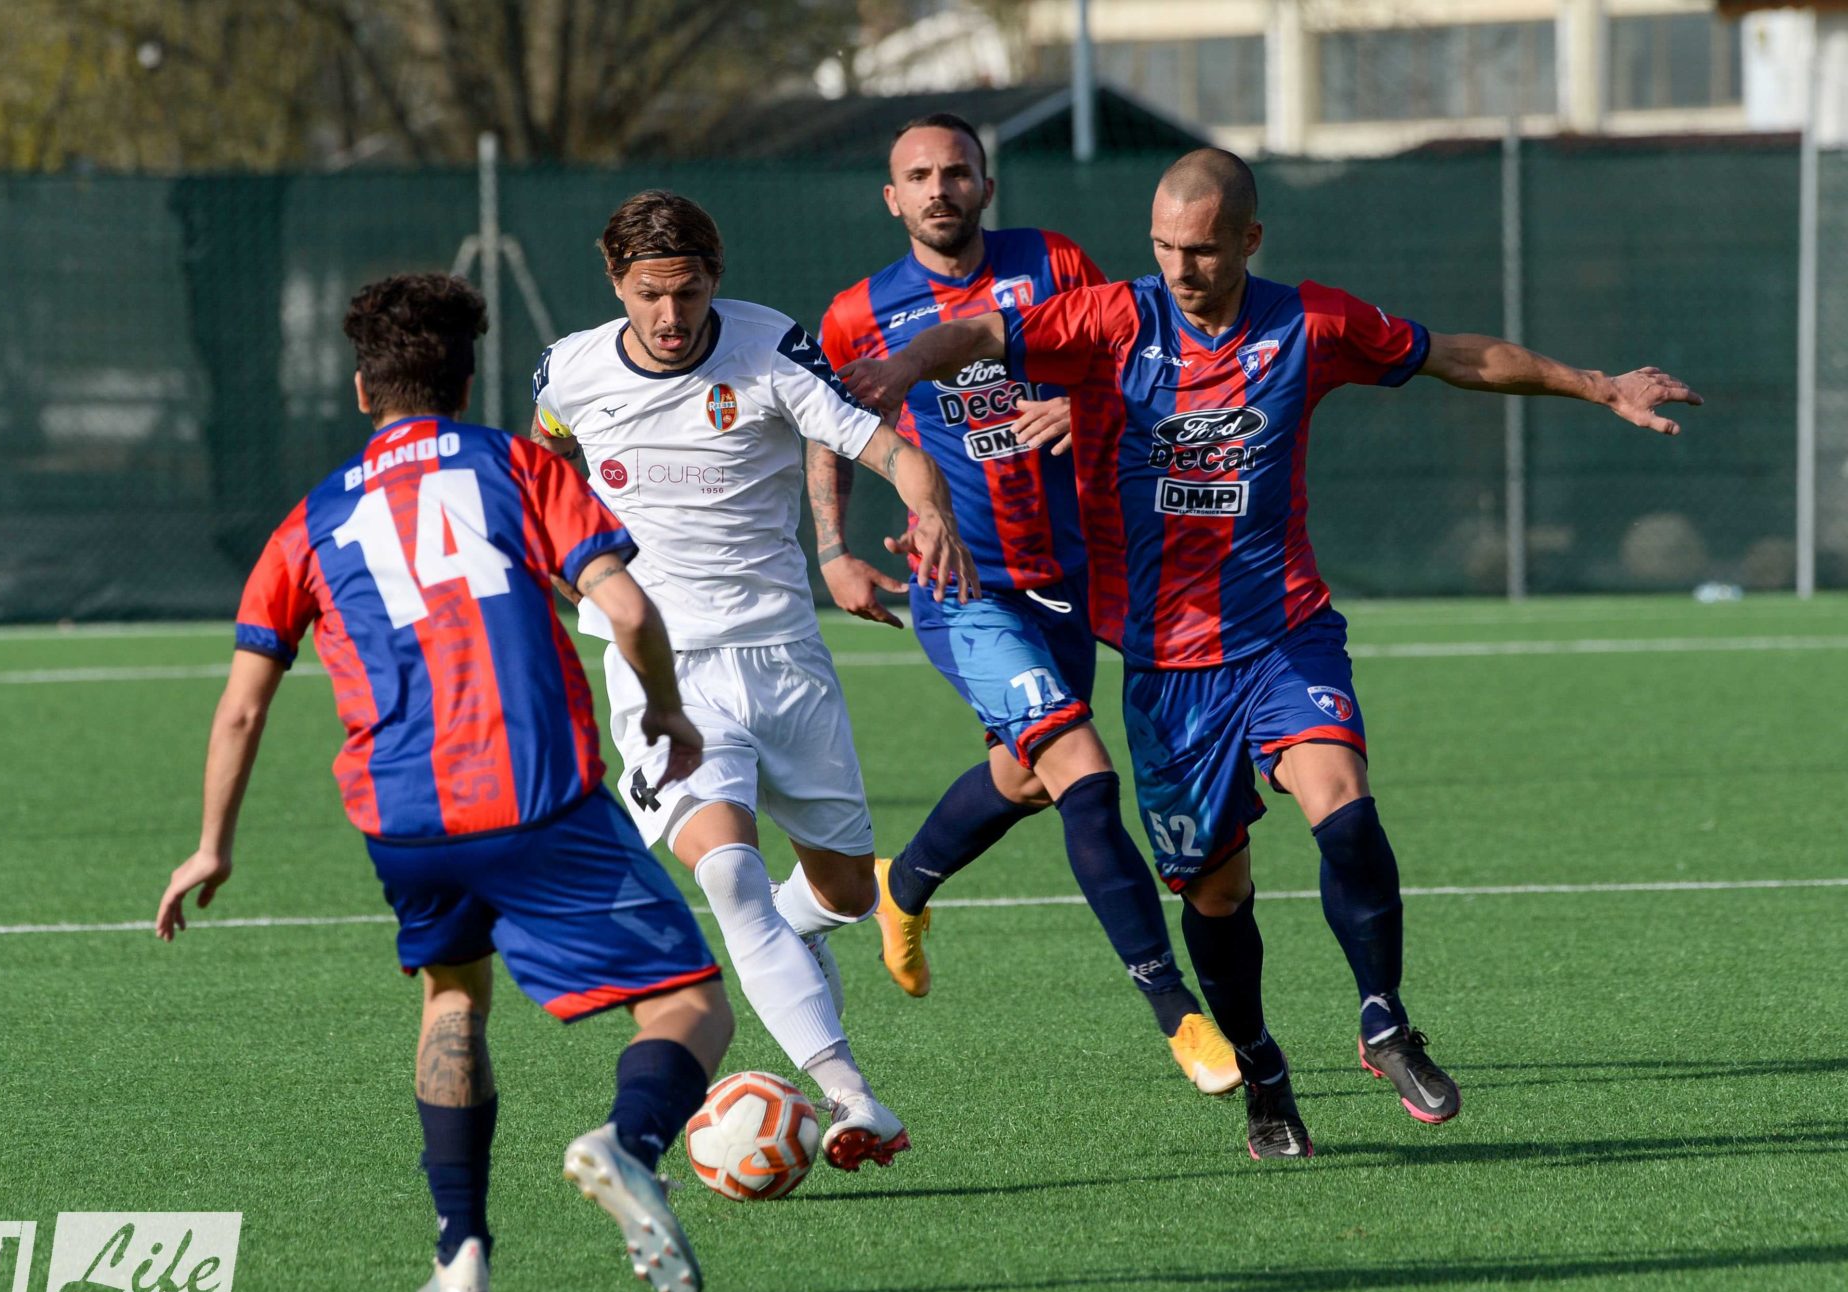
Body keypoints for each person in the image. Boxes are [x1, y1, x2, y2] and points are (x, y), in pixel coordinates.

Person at [839, 148, 1701, 1160]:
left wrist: (1595, 385)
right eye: (1164, 247)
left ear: (1249, 239)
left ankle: (1383, 1019)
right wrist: (907, 364)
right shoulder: (1114, 320)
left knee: (1343, 805)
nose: (1180, 268)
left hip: (1283, 629)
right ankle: (1261, 1068)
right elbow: (983, 330)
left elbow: (1455, 356)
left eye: (1202, 250)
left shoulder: (1311, 324)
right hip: (1167, 666)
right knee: (1216, 892)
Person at [155, 273, 733, 1292]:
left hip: (406, 821)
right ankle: (630, 1140)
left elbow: (241, 706)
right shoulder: (517, 464)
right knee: (689, 1004)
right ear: (466, 382)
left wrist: (212, 843)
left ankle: (459, 1253)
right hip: (537, 796)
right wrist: (666, 710)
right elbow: (631, 613)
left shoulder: (309, 520)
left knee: (453, 994)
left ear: (361, 390)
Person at [529, 190, 977, 1173]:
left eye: (688, 292)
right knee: (729, 875)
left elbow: (889, 448)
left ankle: (791, 934)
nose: (670, 315)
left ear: (715, 280)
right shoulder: (569, 369)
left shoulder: (772, 348)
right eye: (649, 294)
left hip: (782, 662)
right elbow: (545, 460)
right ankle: (850, 1093)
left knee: (844, 895)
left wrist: (927, 512)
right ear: (615, 284)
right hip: (660, 669)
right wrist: (562, 575)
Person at [809, 114, 1240, 1097]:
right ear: (892, 198)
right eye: (919, 175)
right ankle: (1177, 1014)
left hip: (1069, 573)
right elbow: (826, 428)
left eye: (956, 171)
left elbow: (1138, 362)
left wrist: (1083, 407)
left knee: (1029, 774)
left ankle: (903, 884)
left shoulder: (1052, 263)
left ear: (985, 185)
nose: (939, 189)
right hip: (961, 586)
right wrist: (831, 550)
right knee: (1082, 771)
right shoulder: (857, 312)